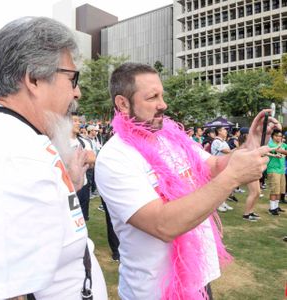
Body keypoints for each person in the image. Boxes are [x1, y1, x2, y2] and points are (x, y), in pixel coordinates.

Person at [95, 62, 277, 300]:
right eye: (152, 97)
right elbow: (163, 225)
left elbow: (213, 166)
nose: (163, 104)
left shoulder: (171, 137)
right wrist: (233, 177)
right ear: (122, 103)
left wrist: (250, 143)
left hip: (197, 280)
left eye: (162, 95)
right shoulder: (115, 157)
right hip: (155, 293)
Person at [0, 17, 107, 299]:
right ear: (34, 78)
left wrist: (70, 186)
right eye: (71, 78)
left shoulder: (21, 139)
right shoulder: (11, 153)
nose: (77, 91)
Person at [267, 129, 287, 215]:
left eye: (280, 136)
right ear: (273, 136)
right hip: (273, 169)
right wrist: (280, 147)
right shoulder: (270, 144)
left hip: (281, 170)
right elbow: (279, 150)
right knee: (274, 190)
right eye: (277, 136)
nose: (279, 137)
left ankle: (276, 206)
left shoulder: (284, 145)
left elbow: (284, 151)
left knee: (280, 190)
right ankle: (272, 208)